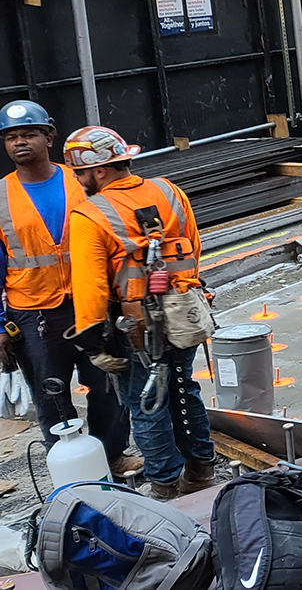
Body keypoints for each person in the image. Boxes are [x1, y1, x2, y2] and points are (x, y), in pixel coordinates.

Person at [65, 126, 215, 500]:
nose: (79, 180)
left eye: (80, 173)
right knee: (184, 388)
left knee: (146, 403)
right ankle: (200, 471)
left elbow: (91, 286)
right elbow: (194, 247)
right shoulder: (168, 191)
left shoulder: (90, 215)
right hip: (184, 313)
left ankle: (165, 485)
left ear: (98, 170)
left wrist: (92, 342)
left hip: (135, 325)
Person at [0, 102, 135, 476]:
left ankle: (112, 455)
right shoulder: (0, 196)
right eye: (11, 137)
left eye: (28, 134)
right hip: (35, 312)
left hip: (92, 302)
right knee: (51, 393)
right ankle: (71, 465)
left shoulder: (83, 182)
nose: (19, 142)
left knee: (106, 383)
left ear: (49, 136)